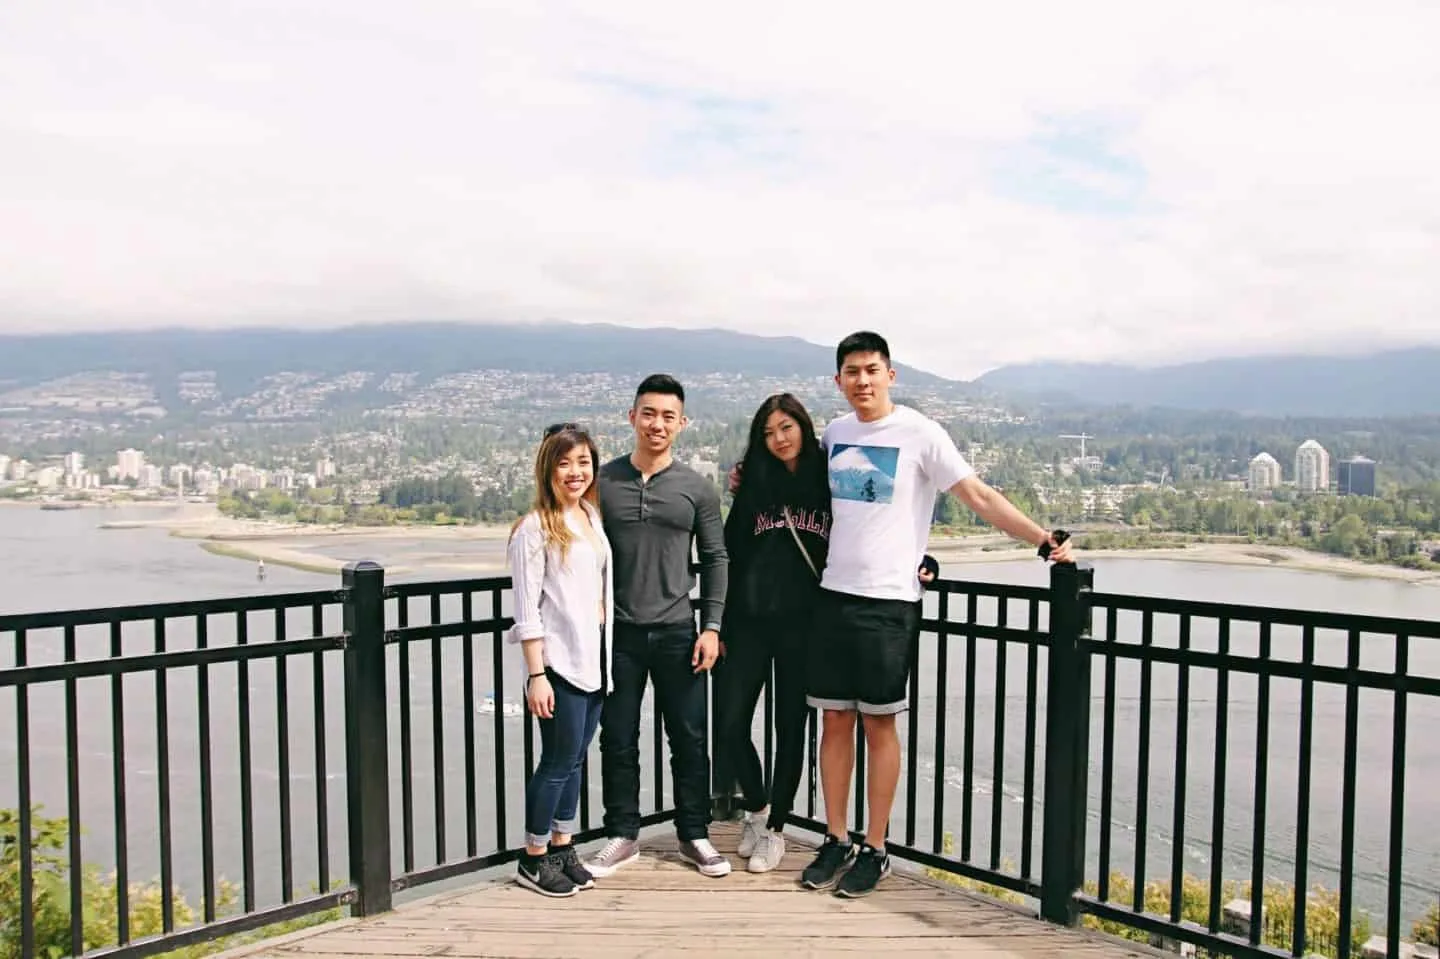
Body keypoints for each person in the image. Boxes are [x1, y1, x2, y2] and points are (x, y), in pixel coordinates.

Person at [802, 331, 1073, 898]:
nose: (863, 381)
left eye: (872, 370)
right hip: (832, 595)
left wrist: (1040, 539)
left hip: (889, 600)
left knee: (878, 723)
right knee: (832, 721)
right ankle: (834, 837)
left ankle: (874, 848)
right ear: (838, 381)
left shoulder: (921, 433)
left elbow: (975, 494)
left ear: (891, 375)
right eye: (852, 372)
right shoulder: (834, 433)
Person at [586, 374, 732, 878]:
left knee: (689, 739)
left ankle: (694, 834)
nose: (657, 424)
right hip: (617, 636)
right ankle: (622, 835)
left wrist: (710, 625)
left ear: (682, 423)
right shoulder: (600, 482)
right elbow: (570, 542)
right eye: (648, 413)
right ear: (632, 417)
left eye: (668, 416)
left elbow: (715, 558)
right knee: (617, 739)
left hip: (679, 632)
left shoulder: (697, 488)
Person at [716, 393, 831, 873]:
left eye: (786, 427)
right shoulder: (753, 485)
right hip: (748, 623)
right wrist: (717, 621)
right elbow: (727, 552)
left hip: (804, 626)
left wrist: (919, 562)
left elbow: (872, 529)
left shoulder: (829, 481)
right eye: (768, 432)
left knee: (790, 729)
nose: (779, 439)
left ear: (803, 427)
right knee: (729, 720)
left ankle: (778, 829)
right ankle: (757, 809)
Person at [506, 423, 613, 898]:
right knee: (556, 762)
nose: (575, 472)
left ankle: (562, 847)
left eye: (584, 462)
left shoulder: (589, 515)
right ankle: (532, 858)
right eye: (565, 463)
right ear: (547, 468)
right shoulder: (534, 528)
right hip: (559, 665)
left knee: (573, 762)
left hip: (595, 661)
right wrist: (536, 675)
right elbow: (527, 611)